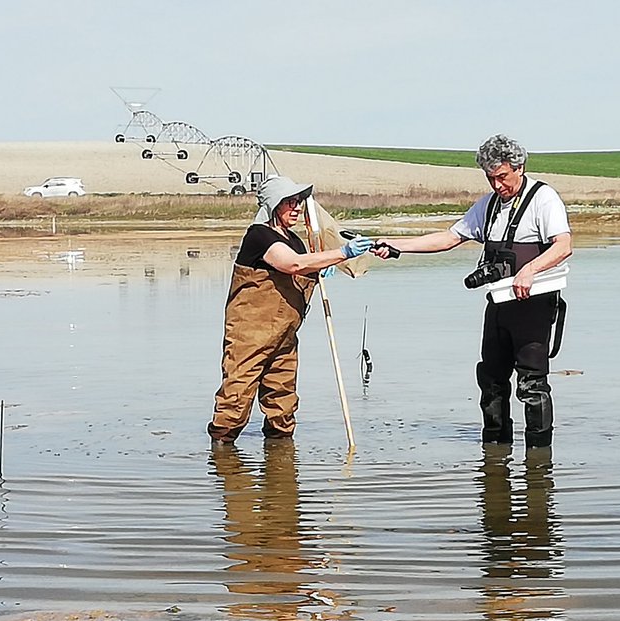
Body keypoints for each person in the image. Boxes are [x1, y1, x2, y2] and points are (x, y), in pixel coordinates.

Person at [374, 135, 572, 448]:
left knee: (532, 385)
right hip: (498, 306)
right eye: (490, 178)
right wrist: (396, 246)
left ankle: (539, 464)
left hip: (533, 306)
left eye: (502, 177)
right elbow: (449, 237)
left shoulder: (543, 199)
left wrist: (530, 270)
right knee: (491, 381)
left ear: (519, 167)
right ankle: (494, 455)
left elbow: (564, 246)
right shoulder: (488, 205)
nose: (497, 185)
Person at [207, 175, 373, 443]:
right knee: (235, 400)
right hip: (249, 336)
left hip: (284, 336)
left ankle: (281, 467)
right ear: (274, 205)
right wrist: (342, 253)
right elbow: (291, 265)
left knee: (282, 404)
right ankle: (223, 459)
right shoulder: (259, 235)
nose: (296, 207)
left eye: (298, 202)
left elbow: (302, 266)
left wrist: (320, 266)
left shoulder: (294, 240)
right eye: (289, 202)